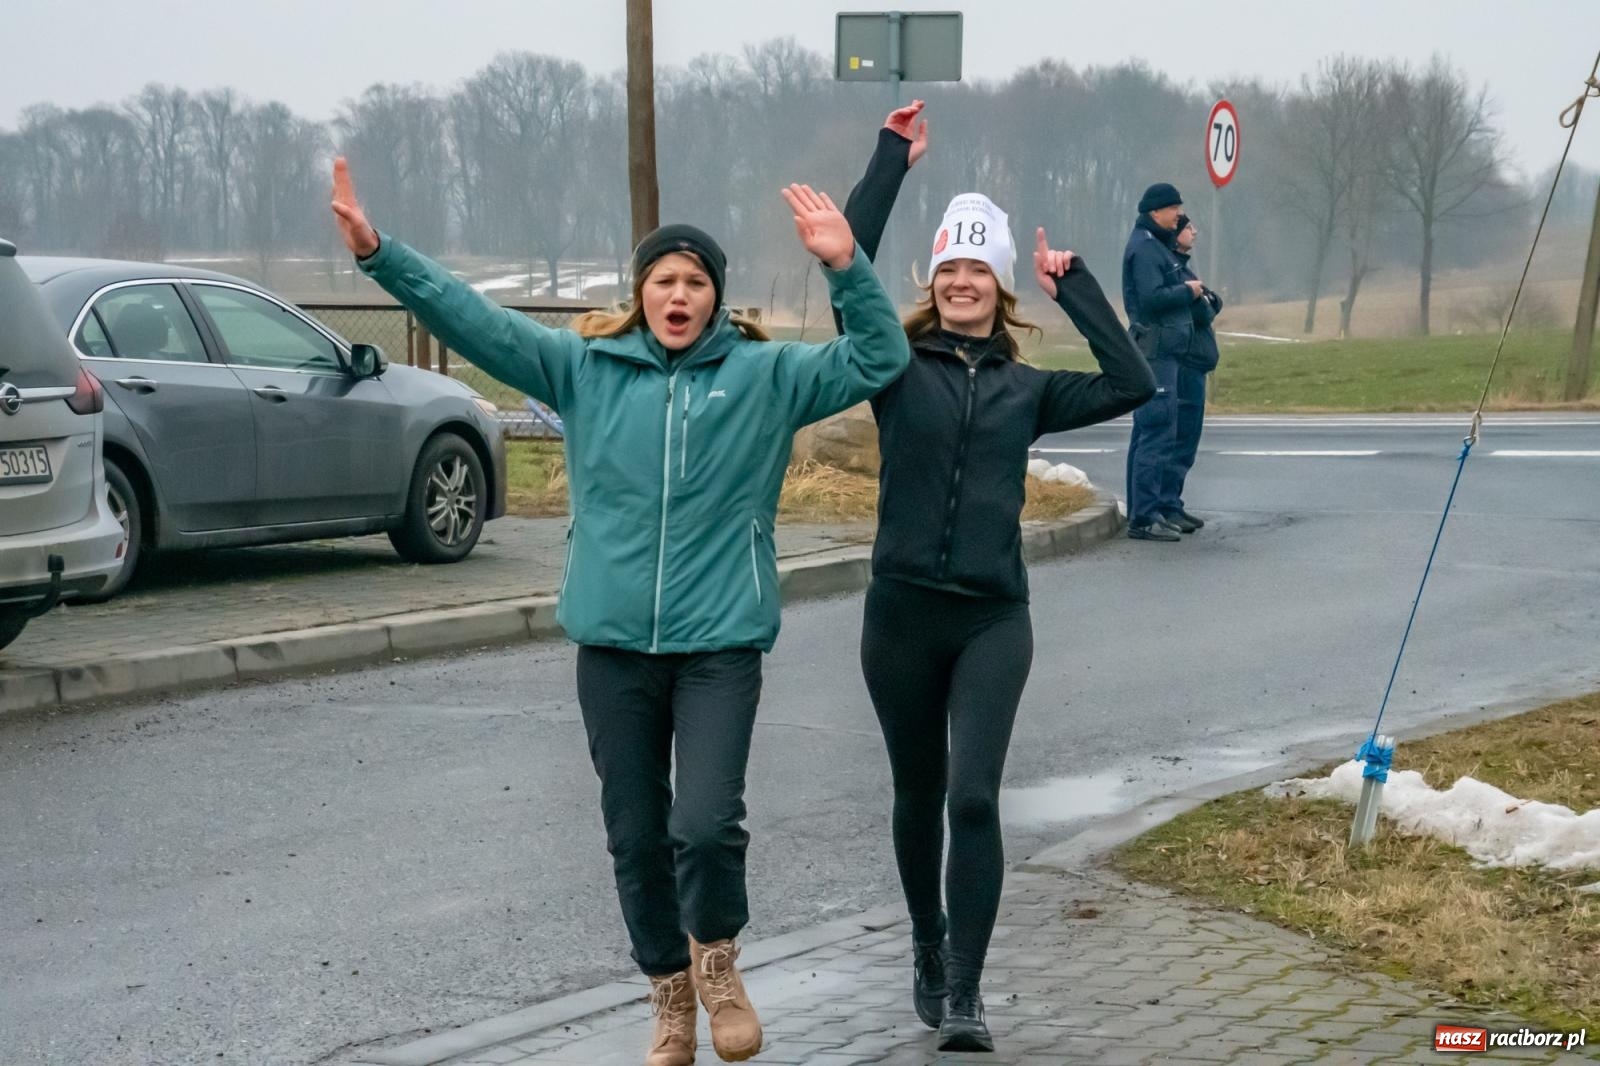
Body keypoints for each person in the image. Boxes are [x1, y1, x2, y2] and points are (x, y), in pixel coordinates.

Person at [330, 160, 910, 1066]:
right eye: (664, 280)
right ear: (641, 294)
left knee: (706, 823)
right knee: (635, 834)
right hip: (612, 647)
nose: (679, 295)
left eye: (696, 282)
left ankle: (715, 960)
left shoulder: (768, 376)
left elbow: (880, 357)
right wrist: (380, 255)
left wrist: (846, 267)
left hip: (720, 641)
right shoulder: (585, 369)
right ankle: (669, 995)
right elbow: (477, 322)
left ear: (717, 298)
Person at [839, 102, 1155, 1053]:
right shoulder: (893, 365)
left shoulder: (1029, 389)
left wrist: (1081, 286)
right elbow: (846, 263)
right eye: (952, 268)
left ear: (1000, 284)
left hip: (990, 620)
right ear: (934, 283)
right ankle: (928, 946)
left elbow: (1132, 382)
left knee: (973, 796)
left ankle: (967, 992)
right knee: (916, 792)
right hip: (900, 614)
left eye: (981, 268)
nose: (965, 281)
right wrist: (892, 157)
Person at [1121, 182, 1206, 542]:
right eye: (1175, 209)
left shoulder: (1156, 246)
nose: (1179, 215)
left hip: (1166, 352)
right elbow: (1151, 298)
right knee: (1156, 429)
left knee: (1155, 429)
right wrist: (1187, 291)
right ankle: (1143, 516)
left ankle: (1153, 508)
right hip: (1154, 351)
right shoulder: (1144, 249)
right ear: (1157, 211)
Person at [1167, 215, 1223, 532]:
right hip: (1186, 363)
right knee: (1181, 436)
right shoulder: (1174, 270)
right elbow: (1202, 311)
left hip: (1195, 363)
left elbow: (1214, 302)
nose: (1194, 232)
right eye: (1188, 228)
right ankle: (1168, 504)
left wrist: (1206, 297)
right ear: (1176, 235)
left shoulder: (1183, 267)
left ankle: (1174, 502)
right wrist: (1202, 298)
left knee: (1188, 439)